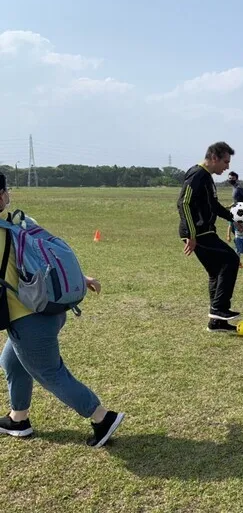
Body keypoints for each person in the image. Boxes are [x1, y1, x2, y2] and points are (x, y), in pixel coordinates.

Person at [0, 174, 124, 446]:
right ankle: (18, 418)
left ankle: (102, 418)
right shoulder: (17, 223)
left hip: (29, 320)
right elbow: (50, 257)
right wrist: (82, 280)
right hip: (51, 310)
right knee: (11, 361)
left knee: (51, 373)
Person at [177, 141, 241, 332]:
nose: (227, 167)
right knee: (231, 259)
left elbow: (213, 205)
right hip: (198, 232)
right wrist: (190, 233)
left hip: (205, 231)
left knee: (216, 272)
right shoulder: (197, 174)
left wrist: (232, 218)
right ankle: (219, 309)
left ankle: (216, 322)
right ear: (214, 158)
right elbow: (183, 203)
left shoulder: (207, 177)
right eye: (225, 162)